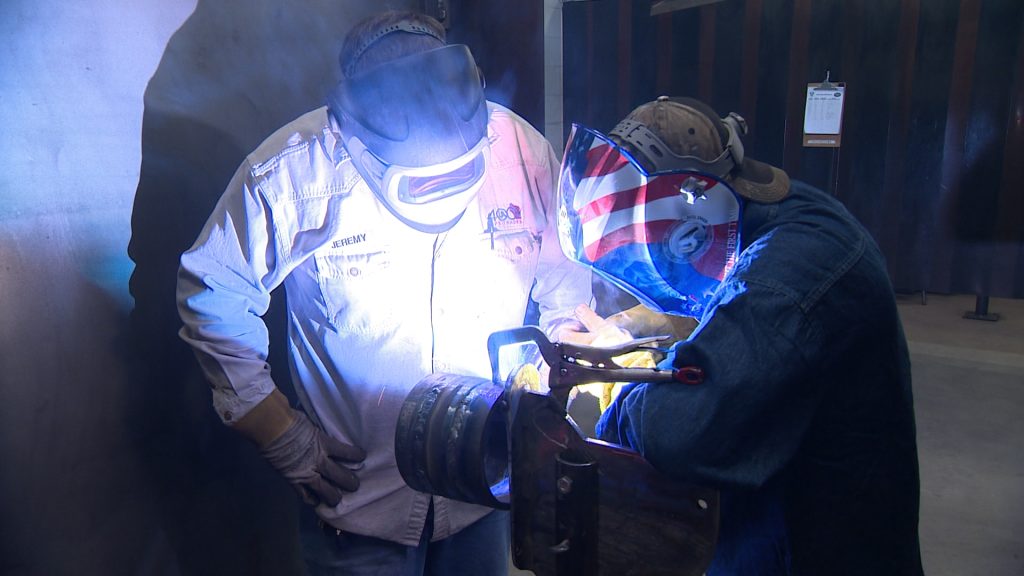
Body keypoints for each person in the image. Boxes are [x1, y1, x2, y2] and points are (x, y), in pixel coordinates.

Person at [175, 11, 592, 576]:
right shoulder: (298, 170)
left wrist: (554, 382)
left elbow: (569, 284)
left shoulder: (518, 152)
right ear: (354, 124)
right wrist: (278, 430)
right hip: (358, 508)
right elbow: (213, 290)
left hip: (486, 492)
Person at [557, 96, 924, 575]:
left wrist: (624, 384)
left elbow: (676, 433)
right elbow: (719, 299)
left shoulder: (786, 278)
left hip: (817, 549)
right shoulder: (776, 217)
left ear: (696, 211)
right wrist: (632, 326)